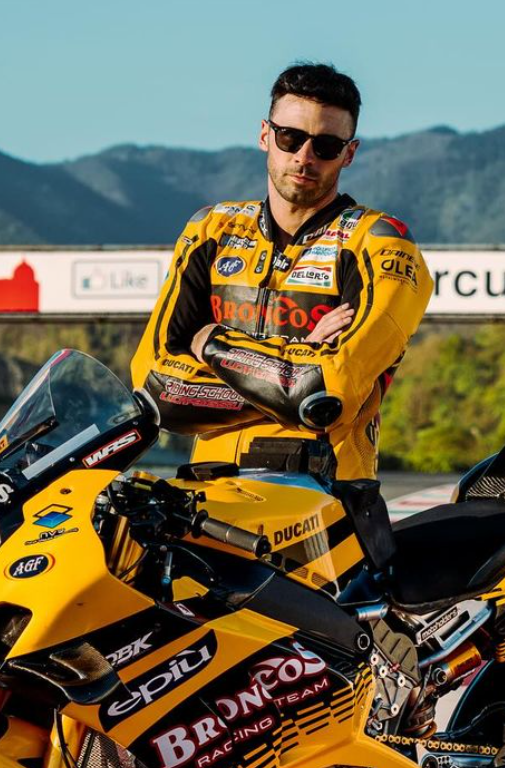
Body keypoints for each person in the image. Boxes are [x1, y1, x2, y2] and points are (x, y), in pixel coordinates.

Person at [130, 63, 433, 482]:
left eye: (326, 145)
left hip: (326, 503)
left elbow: (328, 392)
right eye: (289, 137)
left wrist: (210, 342)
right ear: (264, 135)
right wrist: (290, 379)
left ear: (350, 152)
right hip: (206, 495)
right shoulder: (211, 229)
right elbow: (157, 390)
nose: (304, 156)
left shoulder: (381, 242)